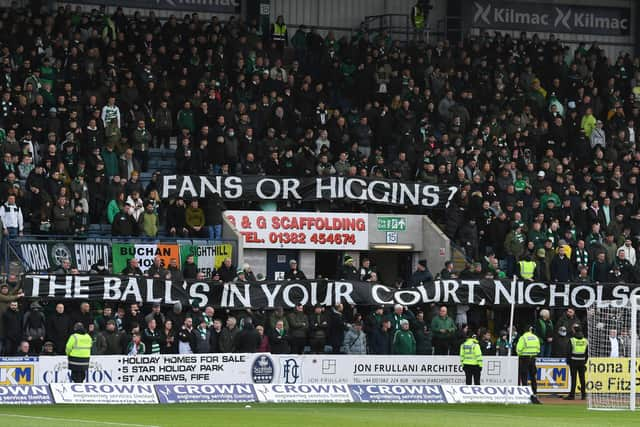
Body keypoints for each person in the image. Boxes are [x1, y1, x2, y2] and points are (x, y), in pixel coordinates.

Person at [516, 326, 542, 404]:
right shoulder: (535, 337)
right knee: (533, 377)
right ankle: (534, 393)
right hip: (533, 358)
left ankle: (525, 394)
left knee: (524, 376)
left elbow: (518, 349)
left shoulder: (523, 338)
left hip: (524, 358)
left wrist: (521, 354)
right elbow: (538, 349)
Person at [565, 326, 588, 400]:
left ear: (574, 331)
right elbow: (587, 353)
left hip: (573, 361)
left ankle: (572, 395)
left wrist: (568, 361)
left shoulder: (572, 340)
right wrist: (585, 361)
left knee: (573, 378)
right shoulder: (585, 340)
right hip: (582, 361)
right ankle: (583, 395)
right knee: (582, 379)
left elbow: (568, 351)